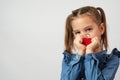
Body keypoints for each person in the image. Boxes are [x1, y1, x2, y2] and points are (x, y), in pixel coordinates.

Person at [60, 6, 120, 80]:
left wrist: (89, 53)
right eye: (78, 32)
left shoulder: (112, 60)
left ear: (101, 29)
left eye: (88, 29)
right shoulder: (68, 59)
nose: (83, 35)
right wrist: (80, 52)